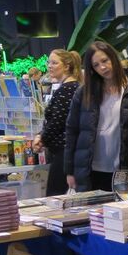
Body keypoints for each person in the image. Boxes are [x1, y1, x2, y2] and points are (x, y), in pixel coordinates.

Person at [64, 41, 128, 192]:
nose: (102, 67)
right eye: (96, 65)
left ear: (113, 58)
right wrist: (69, 171)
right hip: (91, 170)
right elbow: (72, 131)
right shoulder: (84, 92)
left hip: (127, 170)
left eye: (104, 61)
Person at [33, 49, 81, 196]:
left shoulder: (67, 89)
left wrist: (41, 138)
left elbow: (57, 122)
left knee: (55, 196)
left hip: (64, 152)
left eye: (54, 63)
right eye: (49, 62)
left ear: (66, 66)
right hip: (65, 150)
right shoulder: (72, 87)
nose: (49, 66)